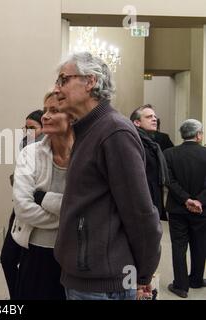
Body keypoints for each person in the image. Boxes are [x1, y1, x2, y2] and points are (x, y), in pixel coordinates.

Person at [53, 52, 162, 300]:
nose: (56, 88)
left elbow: (140, 212)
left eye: (63, 80)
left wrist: (143, 274)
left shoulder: (114, 130)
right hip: (86, 277)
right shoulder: (88, 129)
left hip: (102, 284)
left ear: (90, 81)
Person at [11, 92, 72, 300]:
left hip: (73, 254)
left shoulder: (86, 155)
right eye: (45, 110)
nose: (45, 116)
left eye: (54, 110)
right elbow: (22, 208)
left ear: (72, 116)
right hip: (35, 251)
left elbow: (90, 207)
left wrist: (44, 198)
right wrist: (68, 217)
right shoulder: (30, 153)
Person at [1, 108, 44, 300]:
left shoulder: (50, 149)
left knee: (31, 269)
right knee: (7, 259)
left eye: (32, 127)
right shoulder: (24, 145)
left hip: (39, 215)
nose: (27, 131)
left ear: (44, 128)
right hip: (21, 211)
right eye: (25, 127)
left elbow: (41, 188)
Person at [163, 119, 206, 298]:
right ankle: (196, 279)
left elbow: (168, 180)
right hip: (202, 210)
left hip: (177, 209)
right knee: (200, 244)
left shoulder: (168, 153)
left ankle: (181, 286)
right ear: (198, 135)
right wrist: (199, 201)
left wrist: (186, 199)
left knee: (179, 246)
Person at [130, 104, 170, 221]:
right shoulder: (133, 142)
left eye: (155, 116)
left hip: (153, 202)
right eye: (149, 117)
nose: (154, 119)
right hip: (141, 206)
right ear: (137, 123)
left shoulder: (152, 144)